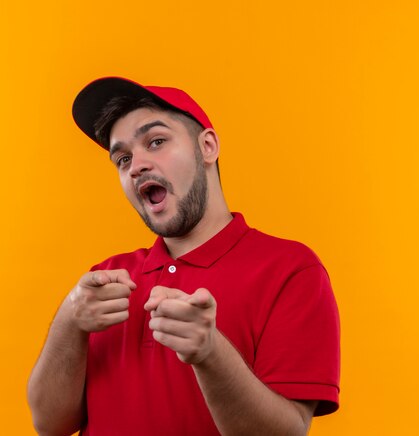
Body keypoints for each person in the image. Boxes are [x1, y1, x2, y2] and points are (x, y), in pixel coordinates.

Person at [27, 77, 340, 436]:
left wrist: (209, 353)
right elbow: (49, 425)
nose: (136, 166)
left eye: (156, 141)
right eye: (123, 158)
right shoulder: (107, 278)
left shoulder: (291, 270)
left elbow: (286, 433)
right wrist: (70, 319)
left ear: (206, 147)